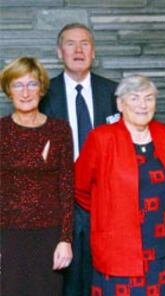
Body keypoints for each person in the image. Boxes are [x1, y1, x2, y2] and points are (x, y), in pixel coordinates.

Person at [75, 75, 165, 295]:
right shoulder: (101, 138)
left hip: (161, 247)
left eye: (149, 98)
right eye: (134, 98)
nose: (142, 105)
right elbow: (80, 187)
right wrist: (105, 213)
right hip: (117, 249)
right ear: (120, 104)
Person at [39, 23, 118, 296]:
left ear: (93, 52)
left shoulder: (114, 93)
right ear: (60, 52)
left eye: (85, 43)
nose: (78, 49)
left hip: (105, 201)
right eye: (71, 44)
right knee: (67, 281)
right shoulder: (42, 95)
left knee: (104, 276)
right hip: (61, 202)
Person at [0, 57, 73, 295]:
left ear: (41, 89)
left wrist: (66, 239)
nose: (25, 92)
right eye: (17, 85)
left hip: (49, 235)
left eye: (31, 84)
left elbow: (66, 186)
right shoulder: (1, 130)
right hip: (7, 235)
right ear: (8, 91)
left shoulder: (59, 130)